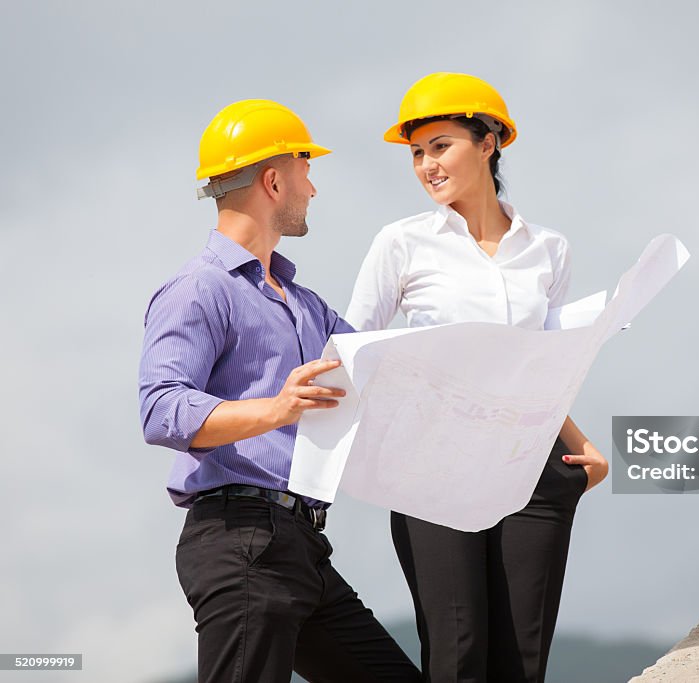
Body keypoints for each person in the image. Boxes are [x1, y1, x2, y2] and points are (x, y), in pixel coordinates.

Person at [138, 99, 421, 683]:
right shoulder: (199, 289)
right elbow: (161, 409)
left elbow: (387, 370)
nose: (313, 188)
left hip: (300, 546)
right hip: (239, 540)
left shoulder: (306, 305)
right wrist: (277, 408)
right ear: (273, 179)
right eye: (306, 168)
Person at [344, 73, 609, 683]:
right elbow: (354, 351)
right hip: (432, 465)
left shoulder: (549, 249)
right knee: (458, 656)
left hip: (529, 460)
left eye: (440, 146)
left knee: (522, 658)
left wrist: (580, 443)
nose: (426, 165)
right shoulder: (401, 244)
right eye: (417, 153)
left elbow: (541, 366)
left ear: (489, 141)